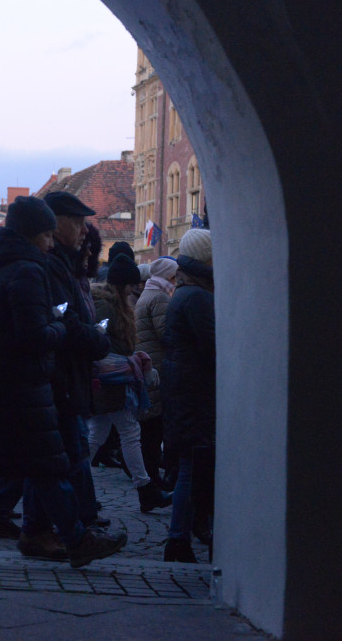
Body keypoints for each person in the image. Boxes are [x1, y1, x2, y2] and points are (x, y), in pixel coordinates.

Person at [0, 196, 126, 567]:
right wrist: (60, 324)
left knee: (19, 468)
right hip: (18, 388)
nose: (50, 243)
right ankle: (72, 539)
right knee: (36, 467)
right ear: (32, 235)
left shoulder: (6, 266)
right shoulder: (26, 270)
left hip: (4, 385)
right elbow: (33, 335)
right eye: (46, 235)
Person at [28, 191, 110, 537]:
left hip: (64, 375)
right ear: (55, 223)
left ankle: (40, 531)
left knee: (53, 459)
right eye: (76, 223)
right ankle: (74, 532)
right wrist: (97, 340)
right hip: (56, 377)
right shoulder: (51, 264)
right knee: (60, 457)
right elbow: (65, 320)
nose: (83, 231)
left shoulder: (62, 263)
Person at [88, 254, 172, 512]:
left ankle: (76, 484)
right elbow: (99, 340)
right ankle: (145, 488)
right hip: (110, 378)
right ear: (122, 283)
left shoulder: (118, 304)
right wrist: (126, 360)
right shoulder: (106, 307)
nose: (137, 287)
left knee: (99, 434)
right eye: (132, 283)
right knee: (127, 432)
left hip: (115, 378)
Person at [163, 228, 216, 563]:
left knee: (189, 464)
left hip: (184, 388)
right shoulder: (197, 297)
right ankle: (179, 539)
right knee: (191, 467)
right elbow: (213, 346)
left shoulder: (184, 293)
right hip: (195, 390)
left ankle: (184, 534)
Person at [135, 256, 179, 489]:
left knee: (149, 432)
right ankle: (154, 482)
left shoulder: (148, 293)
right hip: (157, 368)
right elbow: (166, 335)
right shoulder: (160, 297)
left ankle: (152, 480)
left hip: (149, 366)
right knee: (153, 433)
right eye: (174, 275)